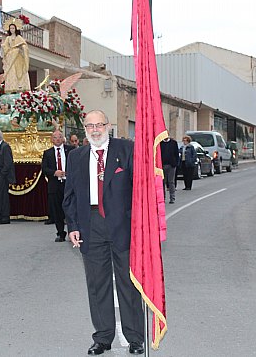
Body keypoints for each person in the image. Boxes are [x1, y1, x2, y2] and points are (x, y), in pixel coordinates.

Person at [63, 110, 145, 356]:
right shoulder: (76, 156)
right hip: (91, 225)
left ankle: (135, 338)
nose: (95, 129)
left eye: (99, 124)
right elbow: (70, 196)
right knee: (97, 285)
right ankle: (103, 337)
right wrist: (73, 226)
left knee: (128, 284)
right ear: (84, 129)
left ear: (108, 126)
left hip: (123, 225)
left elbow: (140, 189)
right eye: (90, 125)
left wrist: (139, 224)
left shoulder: (126, 149)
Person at [41, 130, 75, 242]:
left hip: (68, 184)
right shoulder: (48, 153)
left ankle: (73, 232)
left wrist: (68, 172)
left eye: (60, 137)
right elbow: (44, 168)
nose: (58, 139)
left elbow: (77, 165)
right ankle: (60, 233)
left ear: (63, 138)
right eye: (55, 137)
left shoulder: (70, 150)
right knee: (57, 210)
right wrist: (54, 172)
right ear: (52, 139)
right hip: (55, 185)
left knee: (70, 209)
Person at [0, 17, 30, 93]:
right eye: (10, 28)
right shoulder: (8, 38)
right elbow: (5, 49)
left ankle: (20, 87)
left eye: (13, 28)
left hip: (18, 59)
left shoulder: (19, 38)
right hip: (10, 59)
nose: (12, 30)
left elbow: (25, 47)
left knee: (19, 74)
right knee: (11, 73)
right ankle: (11, 88)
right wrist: (0, 43)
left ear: (16, 29)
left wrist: (21, 48)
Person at [160, 133, 179, 204]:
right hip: (162, 165)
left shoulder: (173, 143)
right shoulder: (160, 144)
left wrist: (175, 164)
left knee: (171, 182)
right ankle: (162, 198)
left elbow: (176, 154)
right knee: (162, 182)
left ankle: (172, 198)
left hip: (171, 165)